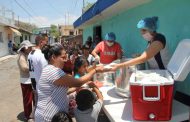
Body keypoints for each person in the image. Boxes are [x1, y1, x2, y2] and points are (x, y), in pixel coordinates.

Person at [35, 43, 106, 122]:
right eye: (63, 57)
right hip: (48, 117)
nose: (66, 60)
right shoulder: (53, 71)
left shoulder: (50, 69)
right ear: (54, 57)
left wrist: (78, 87)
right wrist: (95, 70)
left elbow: (64, 91)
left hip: (51, 116)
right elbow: (78, 82)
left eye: (66, 56)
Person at [17, 40, 34, 121]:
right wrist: (34, 68)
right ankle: (28, 116)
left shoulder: (26, 54)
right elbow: (24, 68)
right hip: (25, 81)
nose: (31, 48)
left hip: (29, 80)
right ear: (25, 48)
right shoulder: (21, 56)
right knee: (28, 99)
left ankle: (31, 113)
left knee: (32, 98)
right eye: (29, 47)